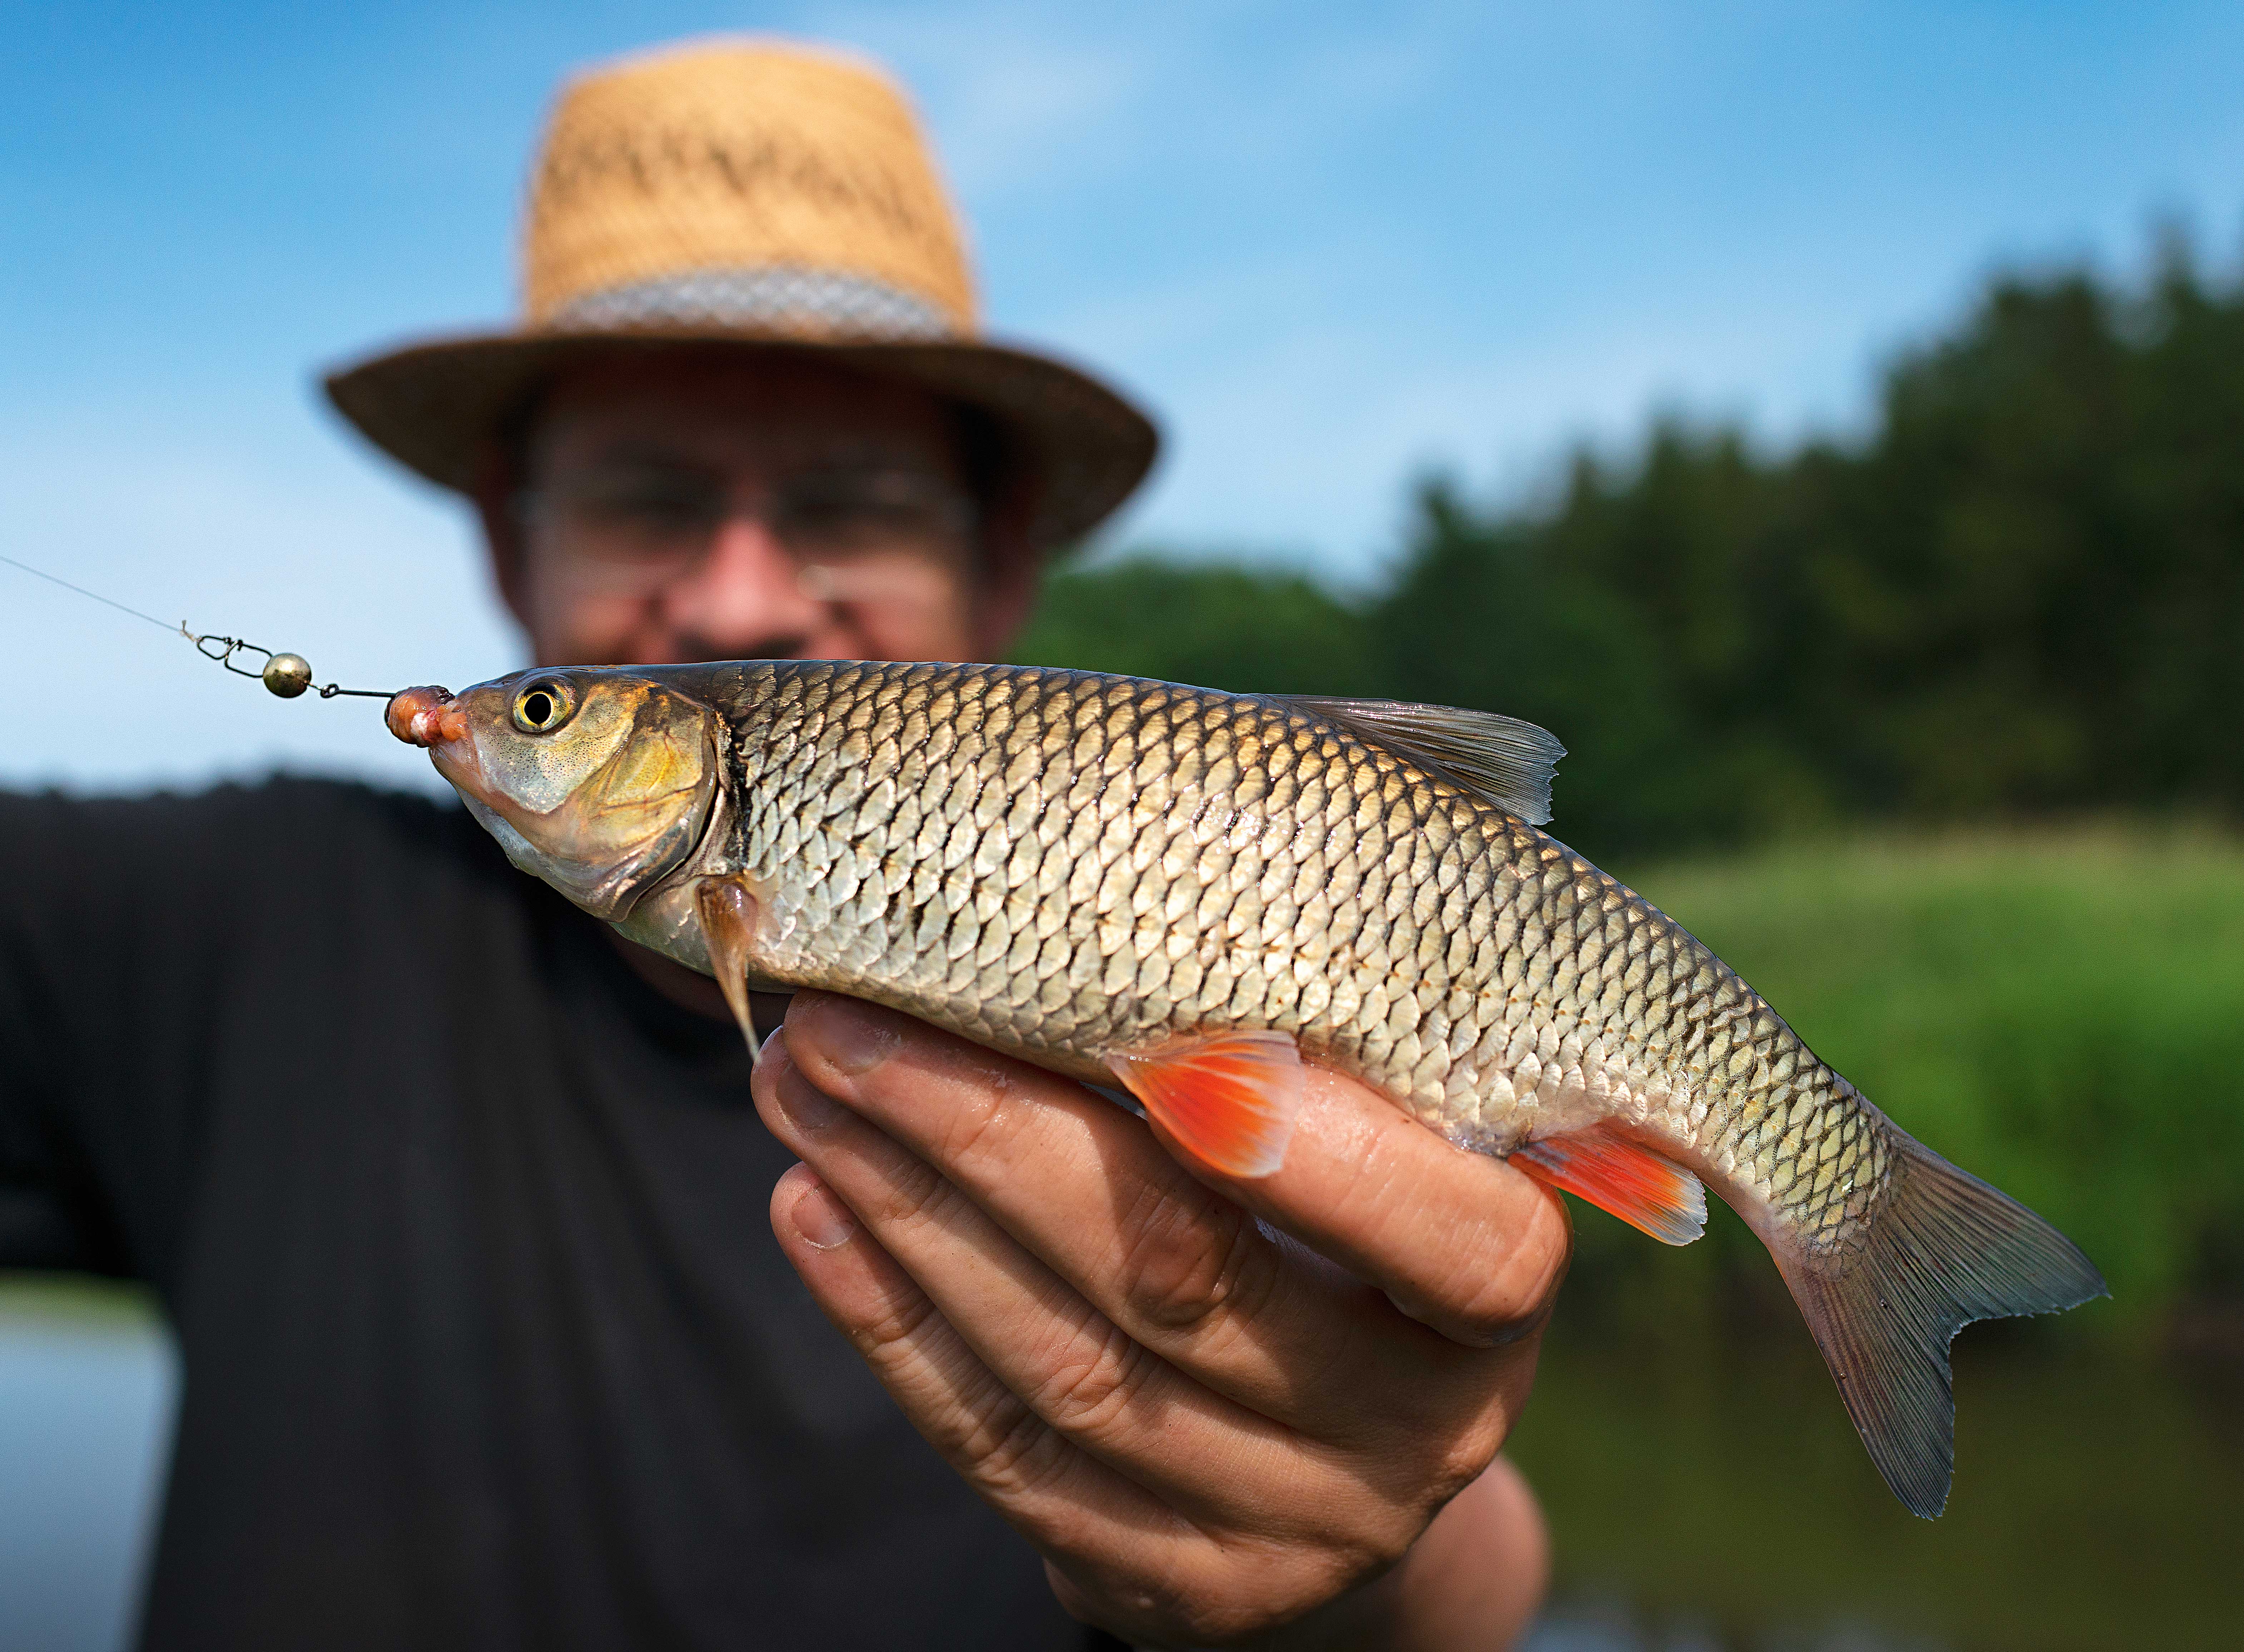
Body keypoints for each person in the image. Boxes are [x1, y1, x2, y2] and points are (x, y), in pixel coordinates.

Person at [0, 38, 1570, 1652]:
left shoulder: (1219, 885)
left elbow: (1486, 1565)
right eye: (649, 496)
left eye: (850, 502)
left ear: (1002, 549)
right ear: (503, 530)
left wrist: (1381, 1552)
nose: (744, 597)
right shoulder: (234, 928)